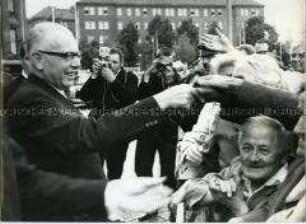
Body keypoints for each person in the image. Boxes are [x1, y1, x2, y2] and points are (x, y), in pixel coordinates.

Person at [7, 22, 196, 221]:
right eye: (67, 56)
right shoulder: (29, 97)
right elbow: (86, 133)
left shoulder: (44, 90)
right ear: (37, 60)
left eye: (77, 55)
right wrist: (160, 101)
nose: (77, 63)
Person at [172, 116, 291, 222]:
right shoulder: (237, 169)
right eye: (247, 148)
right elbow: (184, 192)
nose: (253, 158)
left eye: (264, 150)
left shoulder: (290, 187)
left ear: (283, 157)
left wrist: (237, 206)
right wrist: (213, 191)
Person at [77, 48, 138, 180]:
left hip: (119, 130)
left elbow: (130, 99)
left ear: (121, 64)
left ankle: (112, 197)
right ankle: (98, 196)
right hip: (98, 128)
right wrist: (93, 75)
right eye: (108, 62)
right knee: (95, 167)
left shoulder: (130, 77)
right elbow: (83, 96)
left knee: (115, 170)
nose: (111, 65)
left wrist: (113, 81)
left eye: (115, 62)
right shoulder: (99, 76)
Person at [136, 47, 181, 188]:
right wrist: (147, 76)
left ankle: (167, 201)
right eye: (163, 63)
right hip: (149, 127)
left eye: (169, 64)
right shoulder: (149, 74)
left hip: (168, 128)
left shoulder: (176, 77)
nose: (166, 67)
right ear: (156, 61)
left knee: (168, 170)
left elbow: (179, 99)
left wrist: (171, 82)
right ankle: (147, 196)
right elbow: (141, 97)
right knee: (142, 167)